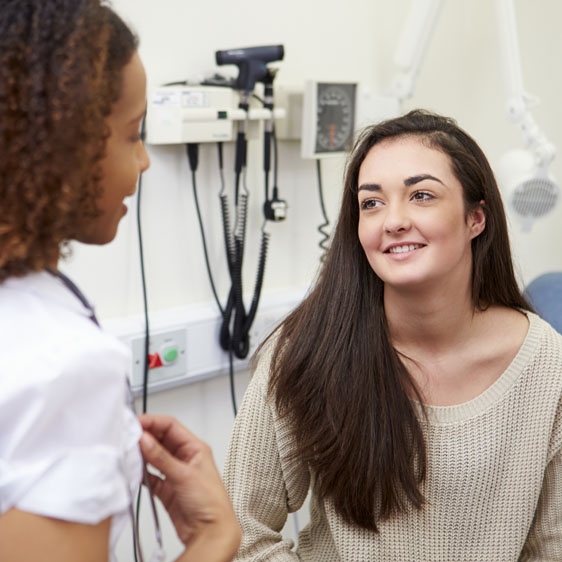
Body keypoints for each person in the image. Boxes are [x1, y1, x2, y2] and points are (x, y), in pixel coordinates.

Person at [223, 109, 562, 561]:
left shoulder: (546, 364)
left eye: (421, 195)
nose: (393, 221)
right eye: (372, 202)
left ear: (475, 219)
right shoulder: (308, 350)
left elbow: (550, 547)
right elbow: (241, 533)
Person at [0, 1, 240, 561]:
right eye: (133, 134)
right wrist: (214, 540)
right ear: (63, 148)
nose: (145, 161)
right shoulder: (60, 364)